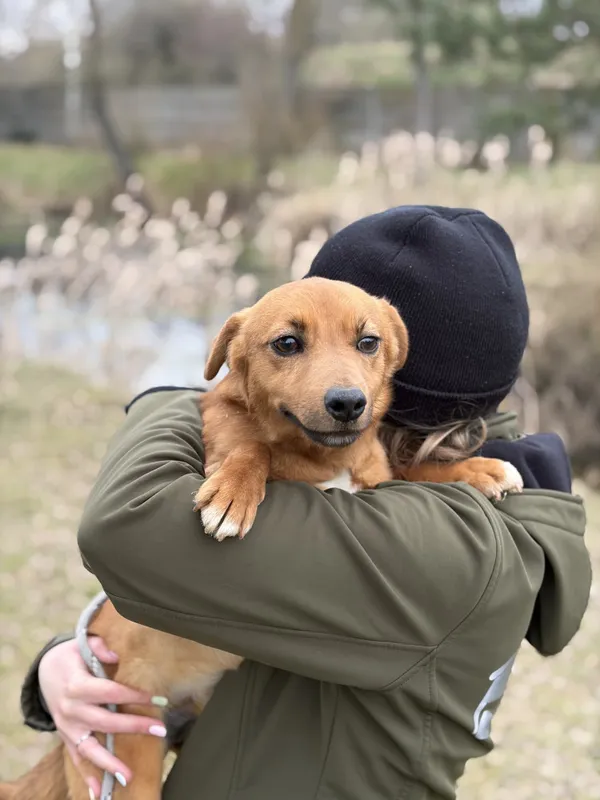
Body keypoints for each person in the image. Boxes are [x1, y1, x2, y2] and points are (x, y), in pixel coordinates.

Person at [19, 206, 591, 800]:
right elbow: (190, 612)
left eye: (360, 340)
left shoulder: (452, 549)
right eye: (291, 343)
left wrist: (188, 397)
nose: (333, 377)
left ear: (393, 362)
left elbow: (127, 524)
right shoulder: (408, 491)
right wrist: (70, 659)